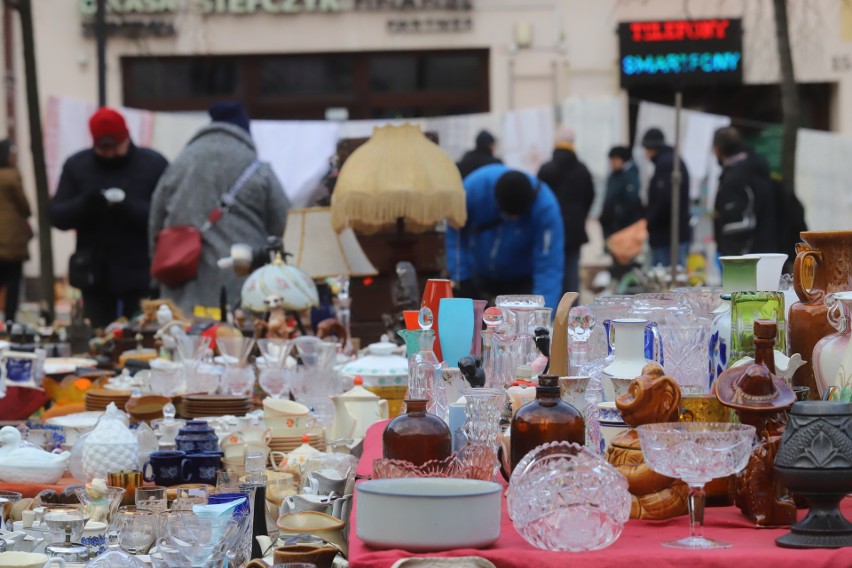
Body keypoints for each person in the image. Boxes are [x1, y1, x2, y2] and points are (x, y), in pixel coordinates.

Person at [150, 101, 289, 314]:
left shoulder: (180, 163)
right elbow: (283, 222)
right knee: (238, 342)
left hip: (184, 282)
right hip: (242, 281)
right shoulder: (254, 167)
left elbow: (155, 221)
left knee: (190, 343)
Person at [49, 108, 168, 328]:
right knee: (98, 338)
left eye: (116, 147)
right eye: (104, 149)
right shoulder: (77, 165)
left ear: (126, 137)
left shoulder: (152, 164)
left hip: (140, 272)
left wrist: (128, 208)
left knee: (141, 336)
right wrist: (86, 203)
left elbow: (167, 215)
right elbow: (57, 216)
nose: (111, 154)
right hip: (95, 274)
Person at [446, 164, 565, 309]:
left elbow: (549, 266)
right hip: (477, 276)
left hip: (520, 281)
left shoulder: (546, 210)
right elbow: (454, 232)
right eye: (508, 215)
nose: (513, 219)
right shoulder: (474, 188)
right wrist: (461, 278)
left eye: (517, 216)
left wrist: (542, 314)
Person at [537, 127, 595, 295]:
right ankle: (573, 312)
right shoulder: (583, 170)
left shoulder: (547, 169)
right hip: (575, 228)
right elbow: (590, 195)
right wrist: (581, 215)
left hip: (550, 229)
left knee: (552, 270)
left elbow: (539, 197)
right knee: (572, 271)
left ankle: (554, 311)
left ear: (556, 143)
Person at [711, 127, 778, 256]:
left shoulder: (735, 178)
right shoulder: (757, 168)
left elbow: (736, 224)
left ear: (719, 150)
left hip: (745, 258)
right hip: (767, 247)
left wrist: (732, 257)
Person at [641, 128, 690, 267]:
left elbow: (664, 200)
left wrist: (651, 220)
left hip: (667, 235)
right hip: (673, 233)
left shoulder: (665, 164)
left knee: (666, 279)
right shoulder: (673, 160)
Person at [0, 140, 32, 322]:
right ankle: (9, 321)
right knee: (13, 285)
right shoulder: (12, 176)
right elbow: (25, 207)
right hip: (13, 243)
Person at [600, 145, 643, 280]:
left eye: (614, 160)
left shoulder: (630, 176)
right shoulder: (614, 176)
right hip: (613, 230)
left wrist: (618, 216)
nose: (612, 163)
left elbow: (631, 202)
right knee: (616, 266)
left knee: (626, 267)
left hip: (625, 231)